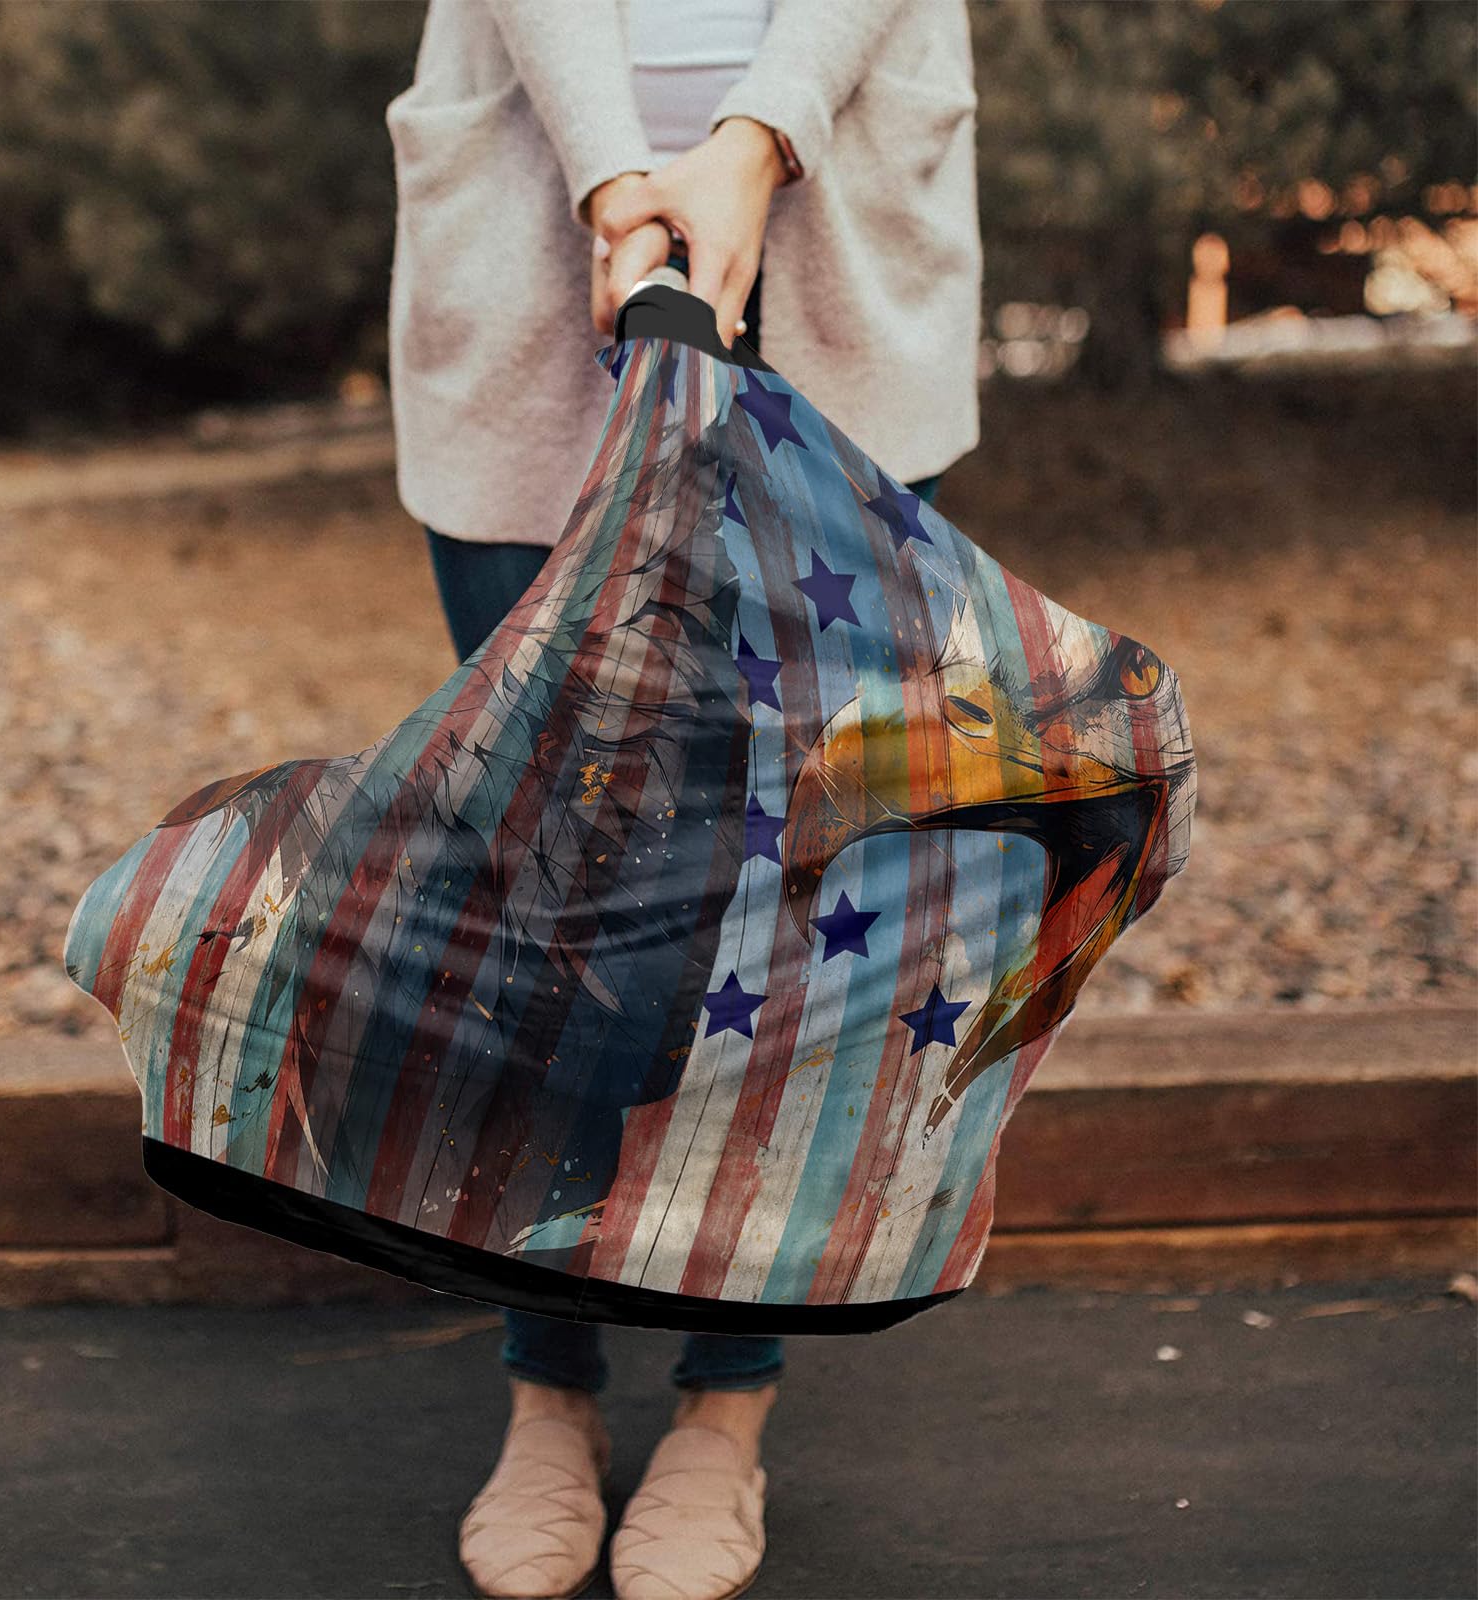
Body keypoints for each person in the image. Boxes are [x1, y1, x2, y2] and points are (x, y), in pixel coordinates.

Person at [384, 3, 981, 1596]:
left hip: (835, 234)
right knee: (546, 887)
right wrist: (612, 179)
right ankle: (548, 1389)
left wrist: (755, 136)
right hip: (536, 233)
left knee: (796, 895)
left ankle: (727, 1407)